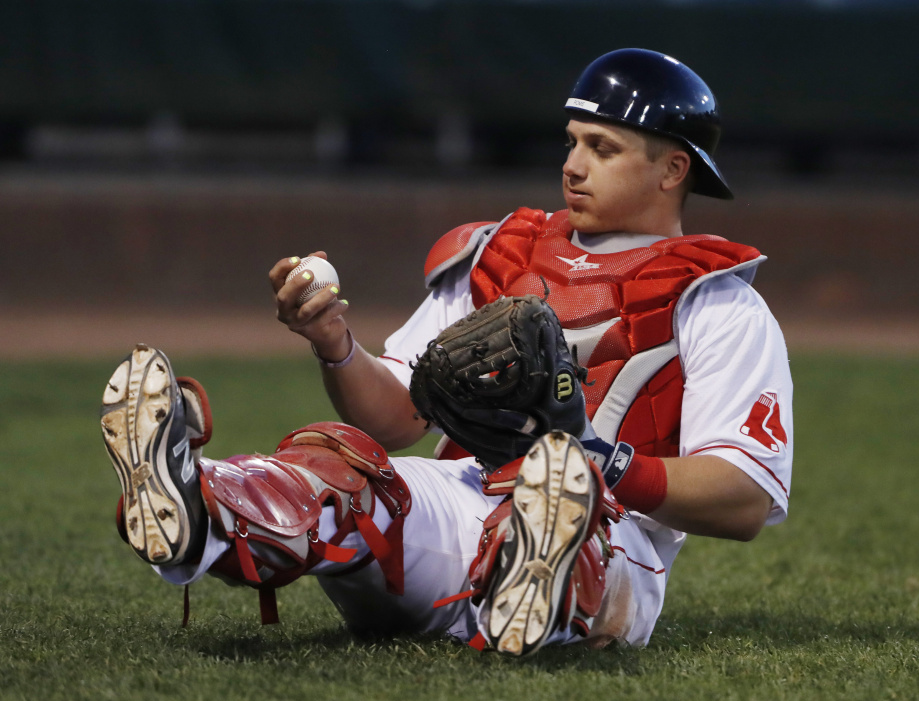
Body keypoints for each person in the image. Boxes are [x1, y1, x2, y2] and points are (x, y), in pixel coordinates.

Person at [100, 48, 792, 656]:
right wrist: (335, 344)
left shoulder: (716, 301)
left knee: (559, 502)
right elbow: (398, 421)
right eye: (572, 142)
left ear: (673, 169)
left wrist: (593, 457)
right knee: (341, 461)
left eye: (602, 149)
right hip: (458, 500)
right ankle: (201, 500)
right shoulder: (502, 255)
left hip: (619, 540)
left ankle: (533, 580)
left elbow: (743, 501)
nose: (572, 166)